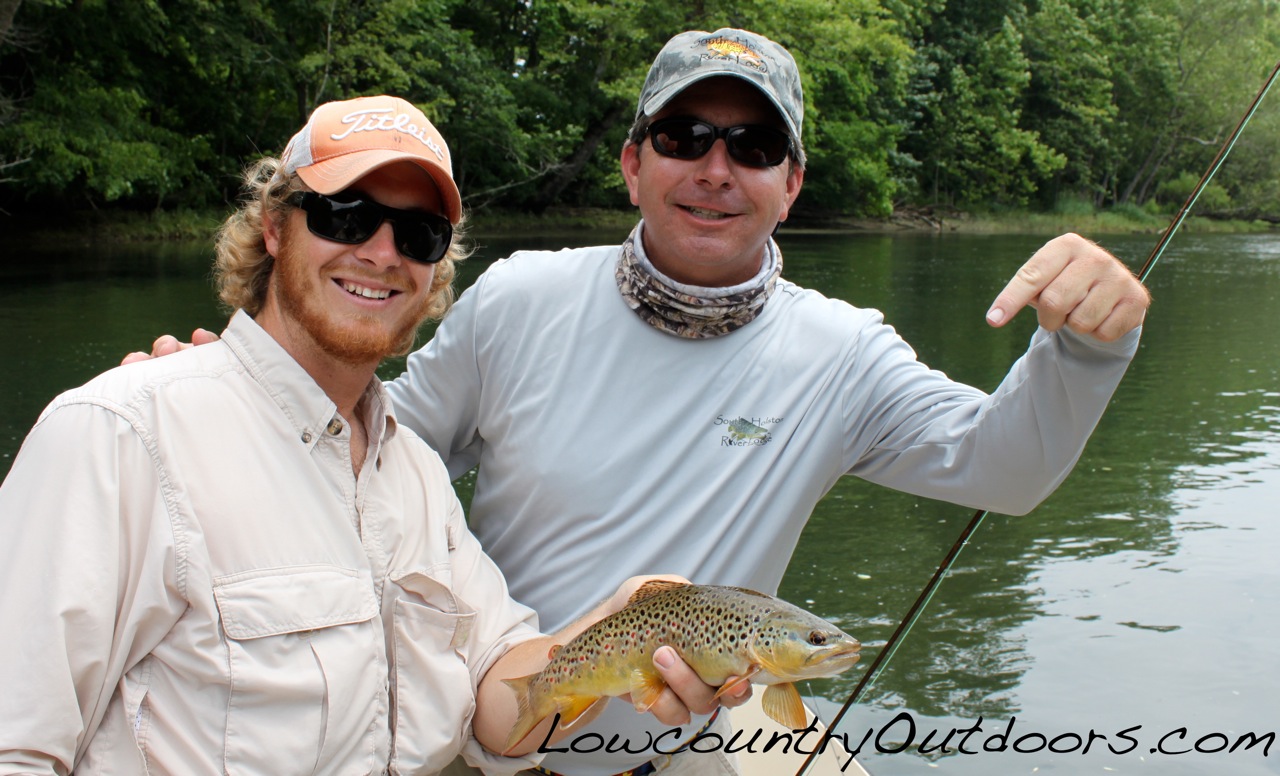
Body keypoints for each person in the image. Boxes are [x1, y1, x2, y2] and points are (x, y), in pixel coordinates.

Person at [127, 28, 1151, 776]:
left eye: (752, 149)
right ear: (631, 162)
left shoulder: (841, 351)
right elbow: (371, 446)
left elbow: (1004, 471)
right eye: (684, 135)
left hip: (686, 752)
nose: (715, 168)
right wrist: (240, 393)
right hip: (487, 740)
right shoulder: (518, 298)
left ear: (790, 184)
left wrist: (1084, 352)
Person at [0, 95, 735, 775]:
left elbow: (502, 709)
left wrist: (622, 631)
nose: (383, 252)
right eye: (345, 215)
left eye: (418, 233)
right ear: (274, 227)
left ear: (435, 268)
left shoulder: (413, 471)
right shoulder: (117, 436)